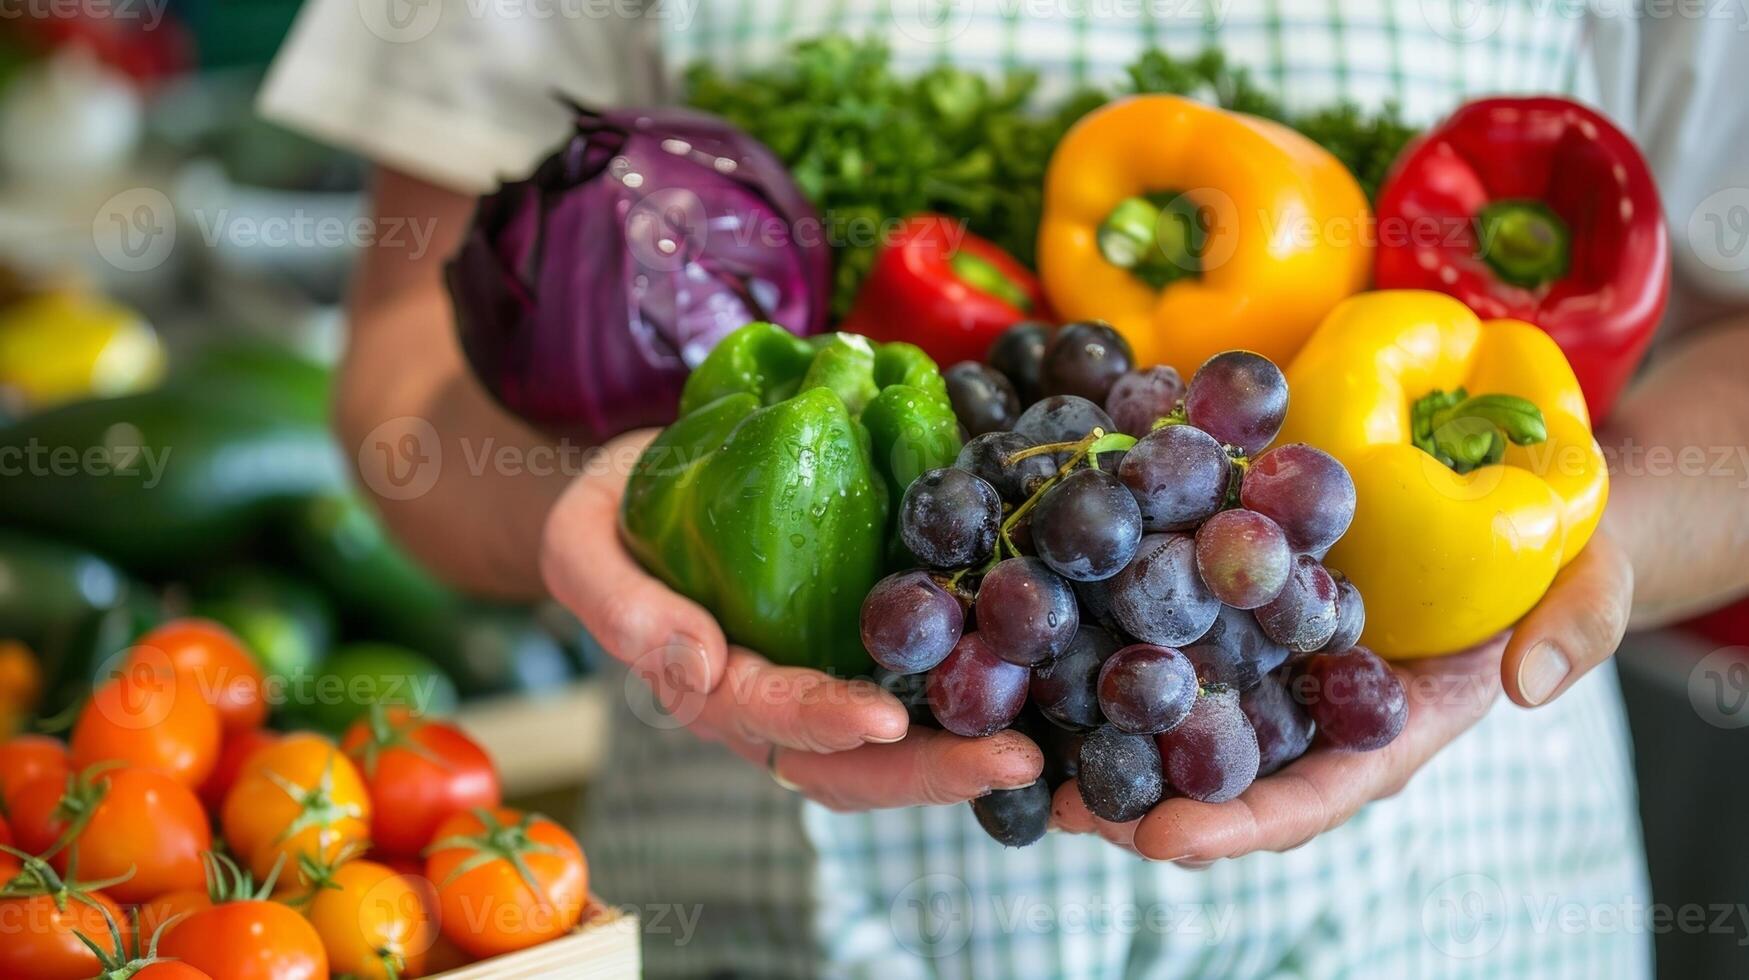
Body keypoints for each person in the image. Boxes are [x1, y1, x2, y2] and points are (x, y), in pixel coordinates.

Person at [260, 3, 1749, 976]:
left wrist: (1579, 544)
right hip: (762, 905)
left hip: (1461, 915)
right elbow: (403, 379)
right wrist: (613, 513)